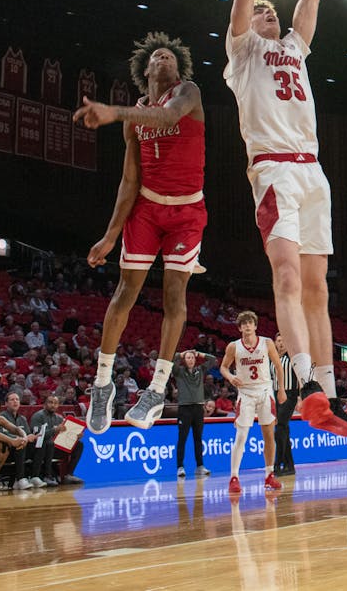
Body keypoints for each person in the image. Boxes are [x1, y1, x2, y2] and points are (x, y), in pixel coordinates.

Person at [225, 0, 347, 441]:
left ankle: (327, 395)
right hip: (273, 169)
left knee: (316, 289)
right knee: (285, 277)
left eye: (272, 11)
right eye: (263, 12)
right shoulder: (242, 51)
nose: (270, 15)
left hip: (312, 171)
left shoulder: (295, 48)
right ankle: (305, 385)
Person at [74, 32, 208, 434]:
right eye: (156, 56)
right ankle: (102, 385)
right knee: (125, 292)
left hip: (187, 211)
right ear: (145, 70)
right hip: (146, 208)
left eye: (170, 55)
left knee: (173, 294)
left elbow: (168, 118)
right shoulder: (134, 117)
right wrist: (110, 235)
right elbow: (129, 181)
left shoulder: (188, 92)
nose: (163, 56)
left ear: (177, 69)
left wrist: (115, 112)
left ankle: (157, 388)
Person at [219, 311, 286, 494]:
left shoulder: (267, 343)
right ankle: (234, 477)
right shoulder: (234, 347)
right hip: (246, 393)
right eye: (244, 324)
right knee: (241, 436)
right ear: (239, 327)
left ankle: (269, 475)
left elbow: (279, 367)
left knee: (268, 435)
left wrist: (281, 389)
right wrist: (231, 376)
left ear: (255, 326)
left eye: (250, 323)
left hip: (265, 391)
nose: (247, 326)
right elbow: (223, 367)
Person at [172, 349, 217, 478]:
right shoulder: (179, 371)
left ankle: (200, 466)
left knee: (198, 438)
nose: (190, 360)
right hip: (184, 409)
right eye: (188, 358)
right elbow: (170, 360)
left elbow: (213, 359)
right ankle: (180, 467)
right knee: (182, 439)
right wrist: (182, 354)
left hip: (198, 408)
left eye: (192, 358)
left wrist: (200, 354)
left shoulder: (200, 370)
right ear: (184, 360)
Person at [29, 394, 84, 486]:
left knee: (79, 444)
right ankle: (47, 476)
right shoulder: (38, 416)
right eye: (50, 402)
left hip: (56, 447)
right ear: (44, 404)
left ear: (58, 405)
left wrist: (75, 436)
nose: (53, 405)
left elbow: (65, 434)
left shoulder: (59, 418)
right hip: (40, 448)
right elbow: (36, 436)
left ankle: (68, 474)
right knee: (49, 443)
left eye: (55, 403)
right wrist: (54, 430)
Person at [272, 333, 300, 476]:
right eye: (278, 341)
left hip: (290, 395)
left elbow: (302, 377)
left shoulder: (292, 358)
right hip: (276, 395)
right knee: (283, 431)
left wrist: (300, 397)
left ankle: (277, 464)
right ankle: (290, 466)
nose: (281, 343)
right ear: (275, 343)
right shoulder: (273, 358)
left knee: (280, 427)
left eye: (283, 341)